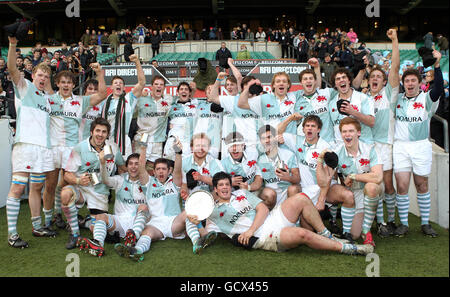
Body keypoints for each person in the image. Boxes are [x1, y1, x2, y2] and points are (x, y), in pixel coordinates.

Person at [194, 172, 374, 255]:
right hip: (264, 236)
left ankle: (327, 235)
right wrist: (196, 222)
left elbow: (263, 209)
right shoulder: (213, 213)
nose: (225, 188)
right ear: (215, 190)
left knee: (302, 198)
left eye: (227, 184)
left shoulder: (241, 194)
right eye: (221, 186)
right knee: (302, 234)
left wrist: (249, 230)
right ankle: (349, 249)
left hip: (271, 219)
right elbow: (204, 235)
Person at [43, 67, 107, 233]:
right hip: (52, 148)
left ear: (73, 85)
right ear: (57, 83)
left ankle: (59, 213)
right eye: (63, 82)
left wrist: (100, 74)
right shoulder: (48, 100)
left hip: (71, 149)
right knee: (49, 186)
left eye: (69, 82)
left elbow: (102, 94)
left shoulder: (80, 101)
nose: (66, 85)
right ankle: (48, 220)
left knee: (65, 182)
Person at [5, 36, 55, 248]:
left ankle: (37, 226)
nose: (42, 78)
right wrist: (13, 45)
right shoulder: (24, 86)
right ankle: (12, 234)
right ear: (33, 75)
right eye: (40, 74)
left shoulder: (47, 99)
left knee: (37, 186)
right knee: (17, 189)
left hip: (42, 150)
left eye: (46, 76)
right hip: (25, 146)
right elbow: (12, 69)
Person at [352, 29, 400, 237]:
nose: (376, 79)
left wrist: (395, 41)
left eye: (380, 77)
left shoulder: (389, 94)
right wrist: (362, 68)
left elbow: (396, 68)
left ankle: (390, 221)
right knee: (373, 182)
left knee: (387, 184)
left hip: (384, 144)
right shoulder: (363, 97)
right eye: (373, 76)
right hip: (366, 144)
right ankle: (379, 222)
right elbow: (351, 86)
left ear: (384, 81)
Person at [392, 49, 443, 237]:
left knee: (422, 184)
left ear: (419, 83)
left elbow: (438, 88)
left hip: (421, 145)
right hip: (401, 146)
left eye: (413, 80)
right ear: (403, 83)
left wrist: (437, 66)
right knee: (402, 185)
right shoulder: (396, 100)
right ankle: (404, 223)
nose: (410, 83)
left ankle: (424, 223)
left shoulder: (426, 99)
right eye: (407, 81)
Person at [61, 118, 126, 249]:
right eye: (97, 131)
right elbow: (67, 174)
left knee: (99, 228)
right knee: (66, 194)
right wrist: (78, 180)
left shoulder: (112, 147)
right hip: (82, 189)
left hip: (100, 191)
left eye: (104, 132)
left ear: (107, 134)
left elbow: (122, 167)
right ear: (91, 132)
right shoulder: (80, 148)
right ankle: (74, 234)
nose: (100, 134)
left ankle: (84, 222)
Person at [322, 117, 383, 246]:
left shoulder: (371, 149)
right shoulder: (337, 152)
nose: (347, 135)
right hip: (350, 192)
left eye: (351, 131)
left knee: (372, 187)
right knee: (354, 235)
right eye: (344, 132)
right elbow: (327, 178)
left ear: (358, 133)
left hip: (366, 190)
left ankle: (366, 231)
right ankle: (347, 225)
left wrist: (354, 176)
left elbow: (377, 177)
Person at [78, 152, 149, 259]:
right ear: (127, 166)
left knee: (143, 207)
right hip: (119, 222)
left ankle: (133, 236)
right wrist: (102, 163)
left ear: (142, 165)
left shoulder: (147, 181)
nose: (133, 167)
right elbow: (106, 180)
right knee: (100, 216)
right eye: (130, 164)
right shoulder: (120, 179)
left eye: (137, 164)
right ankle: (98, 244)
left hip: (139, 223)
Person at [101, 54, 145, 159]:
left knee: (125, 168)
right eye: (115, 83)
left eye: (120, 83)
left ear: (124, 87)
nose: (118, 84)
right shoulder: (105, 102)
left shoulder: (129, 99)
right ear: (111, 87)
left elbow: (142, 82)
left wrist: (137, 62)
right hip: (107, 140)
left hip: (123, 141)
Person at [257, 125, 300, 209]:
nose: (267, 141)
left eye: (269, 137)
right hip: (271, 195)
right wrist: (248, 187)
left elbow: (297, 179)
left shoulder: (288, 154)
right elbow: (258, 181)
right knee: (269, 194)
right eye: (263, 138)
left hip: (287, 193)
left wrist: (288, 178)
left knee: (293, 189)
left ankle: (294, 217)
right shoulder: (260, 159)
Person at [134, 75, 174, 164]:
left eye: (161, 84)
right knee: (139, 168)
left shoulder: (168, 101)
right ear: (151, 87)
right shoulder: (141, 99)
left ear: (164, 88)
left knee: (154, 170)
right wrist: (142, 93)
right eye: (156, 84)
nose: (159, 86)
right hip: (142, 139)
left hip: (157, 143)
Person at [163, 82, 197, 161]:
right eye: (181, 89)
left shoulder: (196, 105)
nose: (184, 91)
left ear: (189, 93)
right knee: (170, 167)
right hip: (173, 141)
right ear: (177, 92)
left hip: (188, 144)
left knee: (185, 169)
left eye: (186, 89)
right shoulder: (171, 106)